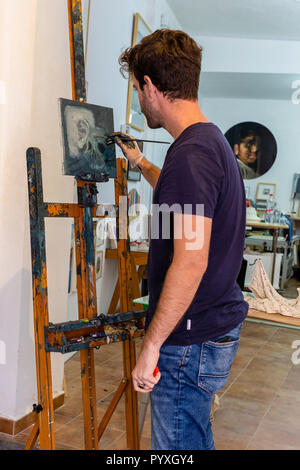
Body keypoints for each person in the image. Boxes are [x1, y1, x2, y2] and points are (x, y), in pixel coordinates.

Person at [115, 29, 248, 450]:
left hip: (190, 340)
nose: (139, 97)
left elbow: (190, 262)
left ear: (150, 87)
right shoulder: (208, 143)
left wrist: (151, 346)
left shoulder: (191, 157)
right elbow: (181, 196)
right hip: (210, 328)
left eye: (138, 87)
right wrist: (140, 161)